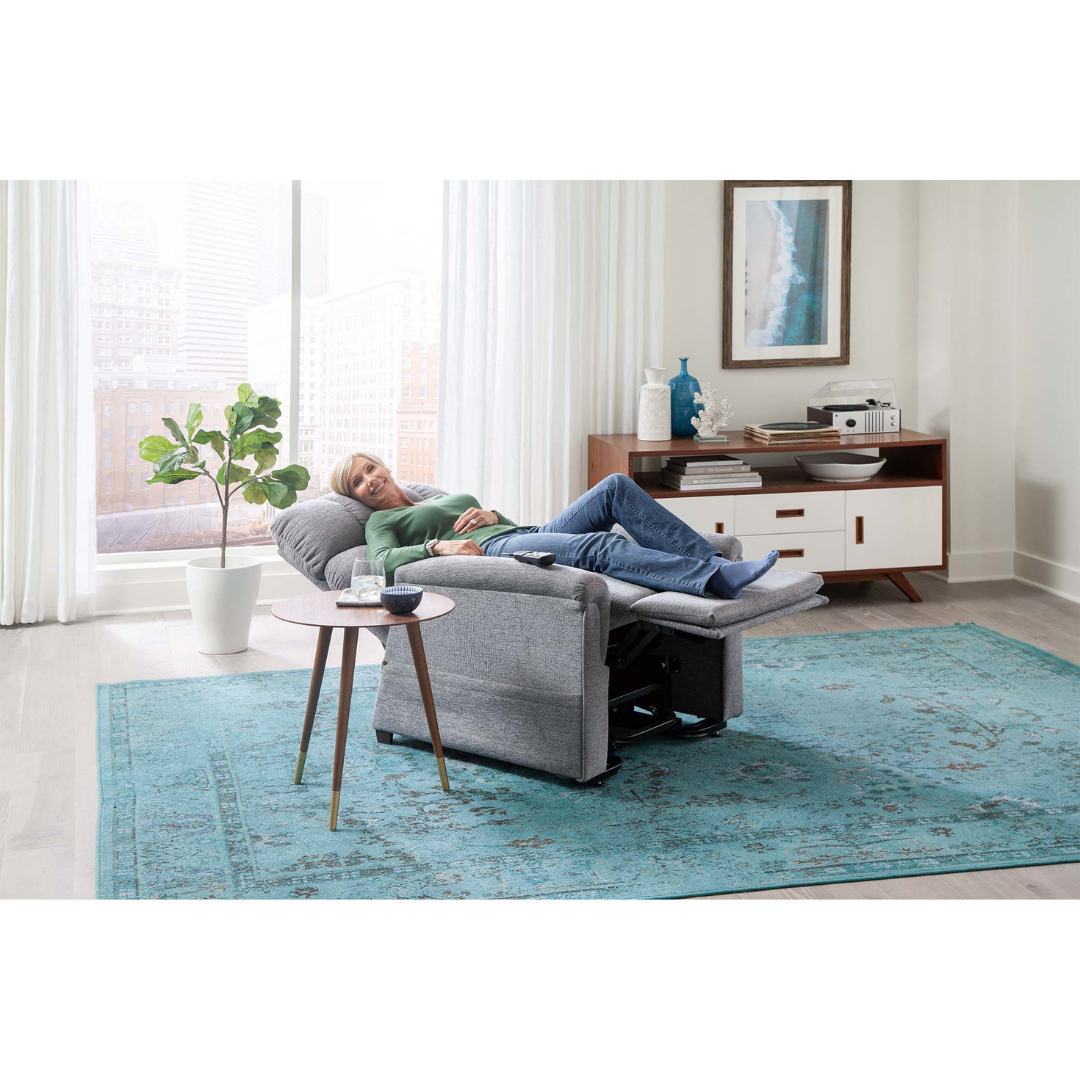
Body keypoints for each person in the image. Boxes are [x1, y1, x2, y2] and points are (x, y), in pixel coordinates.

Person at [329, 452, 778, 599]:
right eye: (358, 482)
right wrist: (437, 547)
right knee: (597, 546)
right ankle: (712, 580)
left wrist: (494, 516)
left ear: (383, 465)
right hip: (498, 553)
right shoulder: (383, 520)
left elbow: (500, 525)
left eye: (370, 468)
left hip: (519, 532)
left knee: (616, 486)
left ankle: (713, 562)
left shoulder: (432, 496)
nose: (370, 479)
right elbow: (380, 561)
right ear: (355, 495)